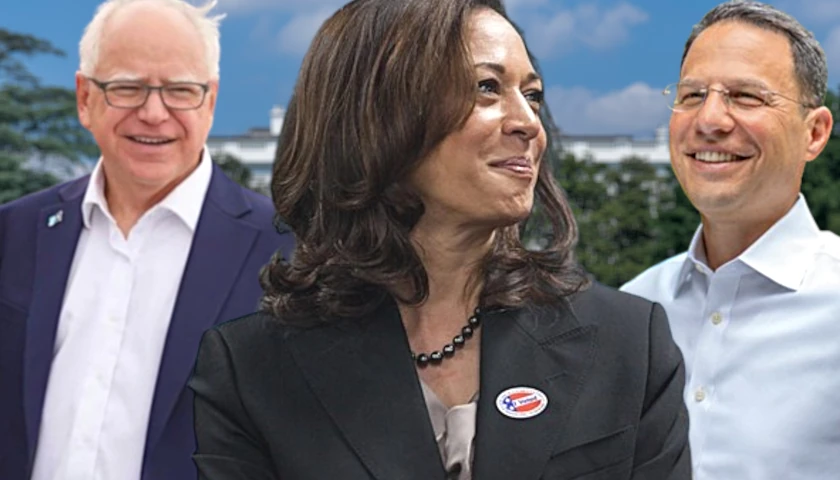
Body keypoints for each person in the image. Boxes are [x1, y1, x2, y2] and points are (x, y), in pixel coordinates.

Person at [188, 0, 690, 478]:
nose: (528, 123)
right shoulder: (251, 371)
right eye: (487, 88)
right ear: (377, 117)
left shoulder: (629, 345)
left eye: (532, 94)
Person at [0, 0, 294, 479]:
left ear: (211, 101)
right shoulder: (12, 234)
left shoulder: (284, 254)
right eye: (127, 88)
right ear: (84, 97)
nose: (154, 113)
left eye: (180, 90)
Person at [622, 1, 840, 479]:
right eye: (692, 94)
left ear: (815, 132)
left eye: (745, 96)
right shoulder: (633, 311)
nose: (711, 119)